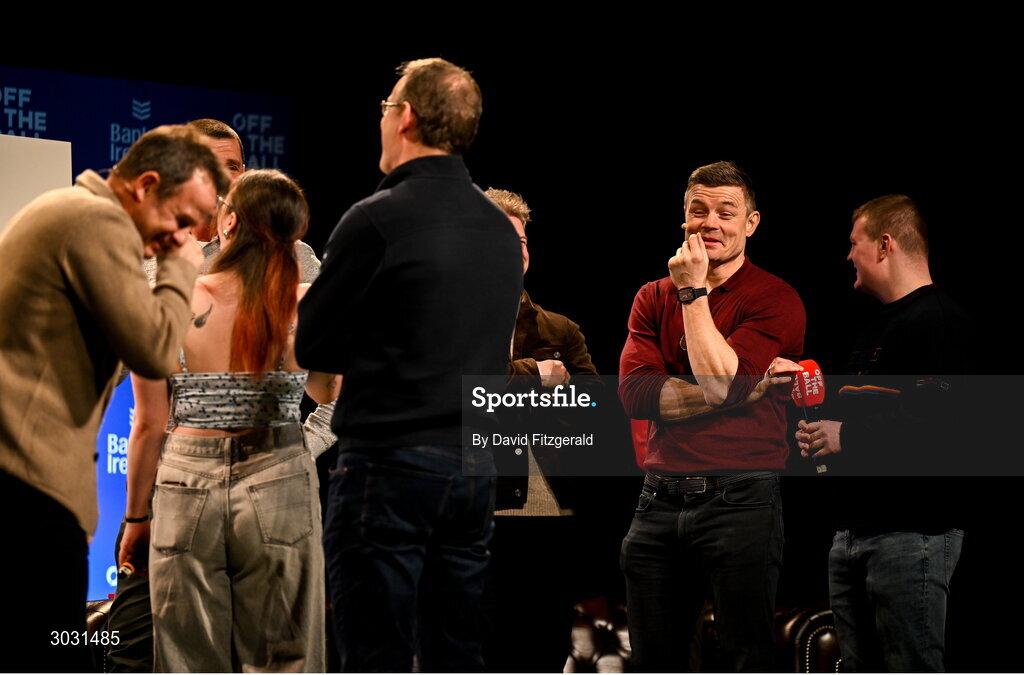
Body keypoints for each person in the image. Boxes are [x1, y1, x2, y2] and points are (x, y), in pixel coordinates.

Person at [296, 58, 522, 671]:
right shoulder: (501, 233)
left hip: (389, 468)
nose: (383, 118)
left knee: (374, 650)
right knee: (454, 649)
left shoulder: (378, 218)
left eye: (386, 106)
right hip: (473, 470)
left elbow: (312, 343)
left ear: (408, 118)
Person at [0, 125, 226, 672]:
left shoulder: (73, 215)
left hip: (29, 484)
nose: (177, 239)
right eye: (177, 224)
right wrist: (181, 266)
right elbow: (152, 349)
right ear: (146, 184)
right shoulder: (92, 219)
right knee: (51, 654)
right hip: (27, 491)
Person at [119, 169, 340, 672]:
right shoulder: (305, 303)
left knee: (186, 656)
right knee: (287, 654)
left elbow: (148, 425)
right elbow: (329, 393)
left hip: (184, 485)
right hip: (278, 475)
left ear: (230, 222)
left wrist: (136, 517)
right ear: (293, 232)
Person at [618, 161, 805, 671]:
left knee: (746, 656)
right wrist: (744, 391)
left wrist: (692, 293)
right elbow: (635, 395)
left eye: (727, 212)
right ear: (684, 219)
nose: (710, 224)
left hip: (741, 498)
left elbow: (721, 383)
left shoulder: (774, 298)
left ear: (752, 223)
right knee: (657, 660)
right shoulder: (649, 296)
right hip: (657, 498)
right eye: (698, 211)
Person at [795, 195, 971, 672]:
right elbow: (866, 417)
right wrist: (819, 427)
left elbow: (938, 422)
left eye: (855, 243)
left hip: (911, 535)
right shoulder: (875, 328)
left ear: (885, 244)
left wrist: (843, 435)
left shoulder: (940, 320)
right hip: (854, 533)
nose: (848, 255)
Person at [481, 188, 598, 672]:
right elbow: (457, 398)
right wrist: (537, 378)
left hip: (542, 511)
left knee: (541, 648)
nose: (518, 250)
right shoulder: (446, 323)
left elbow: (592, 411)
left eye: (523, 240)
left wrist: (503, 394)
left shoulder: (560, 330)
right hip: (468, 504)